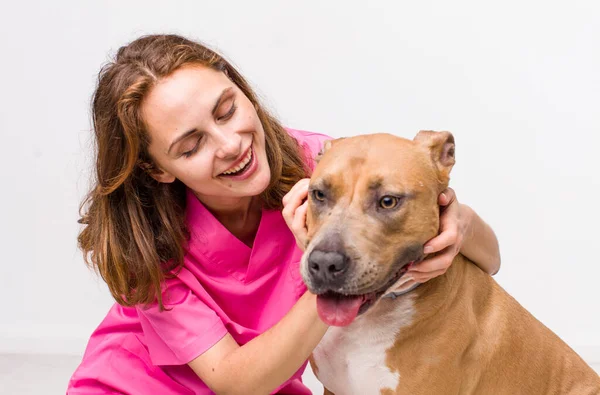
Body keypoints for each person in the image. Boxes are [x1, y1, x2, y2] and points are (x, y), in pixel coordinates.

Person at [67, 34, 501, 394]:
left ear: (242, 90)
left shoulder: (323, 169)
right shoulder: (144, 246)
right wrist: (331, 271)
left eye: (227, 110)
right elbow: (237, 381)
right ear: (157, 168)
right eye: (191, 145)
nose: (230, 144)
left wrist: (458, 222)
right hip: (140, 385)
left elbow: (491, 259)